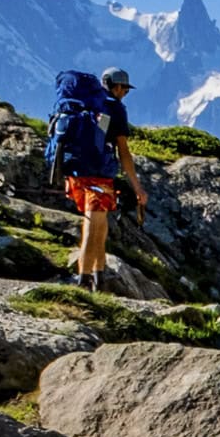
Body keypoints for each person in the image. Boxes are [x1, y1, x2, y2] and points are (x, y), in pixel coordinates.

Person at [71, 66, 147, 292]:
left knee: (99, 224)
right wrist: (137, 187)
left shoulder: (83, 102)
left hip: (76, 173)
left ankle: (99, 275)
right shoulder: (115, 109)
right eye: (125, 89)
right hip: (100, 176)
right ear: (116, 87)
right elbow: (123, 152)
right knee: (92, 228)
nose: (125, 94)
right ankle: (84, 281)